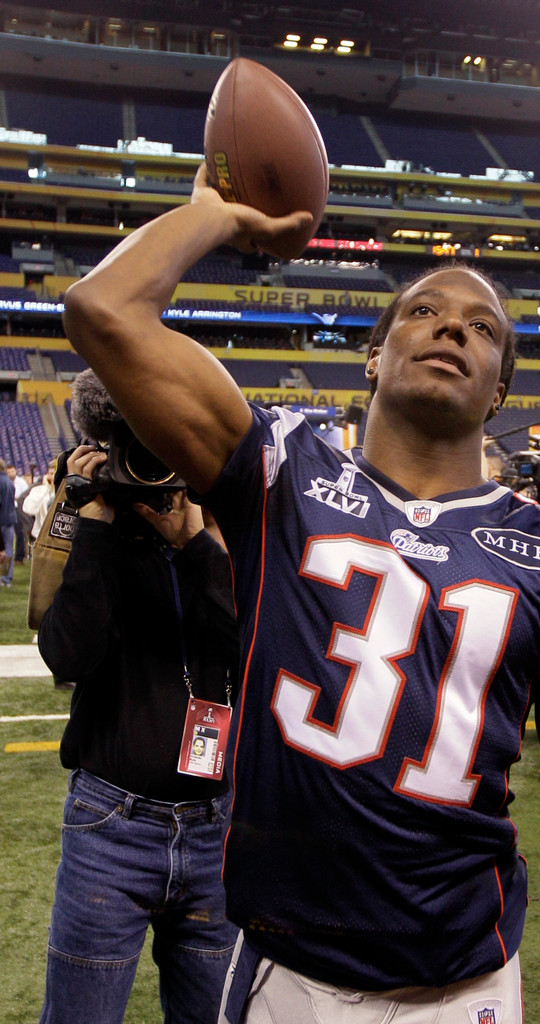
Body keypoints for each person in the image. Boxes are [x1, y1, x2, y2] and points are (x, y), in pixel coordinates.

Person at [60, 165, 540, 1024]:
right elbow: (102, 312)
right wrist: (209, 216)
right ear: (373, 355)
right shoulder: (276, 469)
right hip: (283, 970)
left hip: (463, 980)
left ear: (500, 388)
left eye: (481, 327)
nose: (451, 323)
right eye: (422, 310)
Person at [37, 370, 240, 1024]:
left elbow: (253, 644)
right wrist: (89, 517)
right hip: (110, 828)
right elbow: (67, 657)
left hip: (215, 829)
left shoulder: (217, 533)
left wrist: (197, 543)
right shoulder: (92, 531)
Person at [0, 457, 17, 587]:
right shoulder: (10, 482)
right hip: (10, 518)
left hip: (1, 519)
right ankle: (6, 578)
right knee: (9, 549)